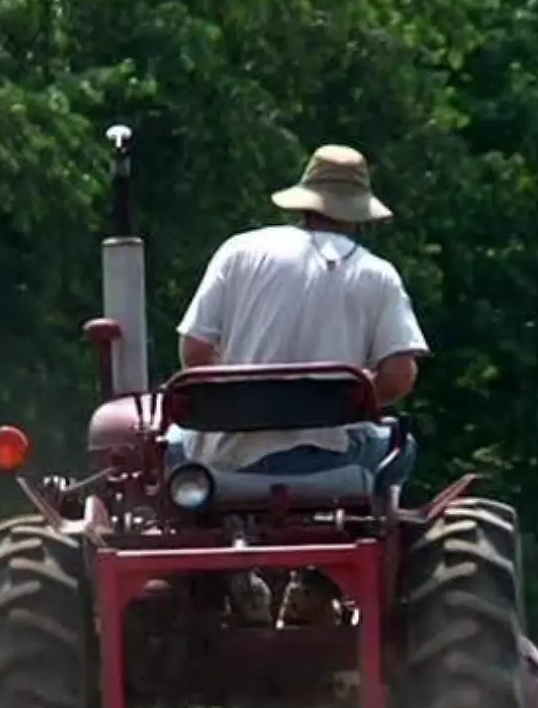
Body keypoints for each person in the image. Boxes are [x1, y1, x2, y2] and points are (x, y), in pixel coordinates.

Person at [165, 144, 429, 488]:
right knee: (399, 445)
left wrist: (244, 405)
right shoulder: (378, 275)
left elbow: (195, 352)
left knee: (167, 444)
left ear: (305, 201)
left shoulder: (239, 250)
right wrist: (350, 402)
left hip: (226, 457)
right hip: (327, 459)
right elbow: (398, 377)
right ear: (358, 213)